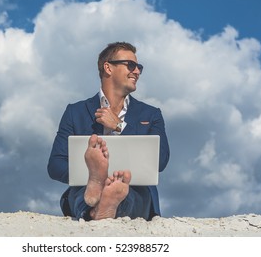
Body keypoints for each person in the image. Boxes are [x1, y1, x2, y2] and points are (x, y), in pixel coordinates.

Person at [48, 42, 170, 221]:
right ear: (108, 67)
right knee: (84, 193)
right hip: (85, 187)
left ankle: (100, 206)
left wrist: (120, 126)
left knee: (126, 193)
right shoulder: (75, 112)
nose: (137, 71)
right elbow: (55, 165)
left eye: (139, 67)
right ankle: (99, 195)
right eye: (131, 65)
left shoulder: (151, 114)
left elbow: (160, 161)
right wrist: (91, 175)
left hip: (135, 189)